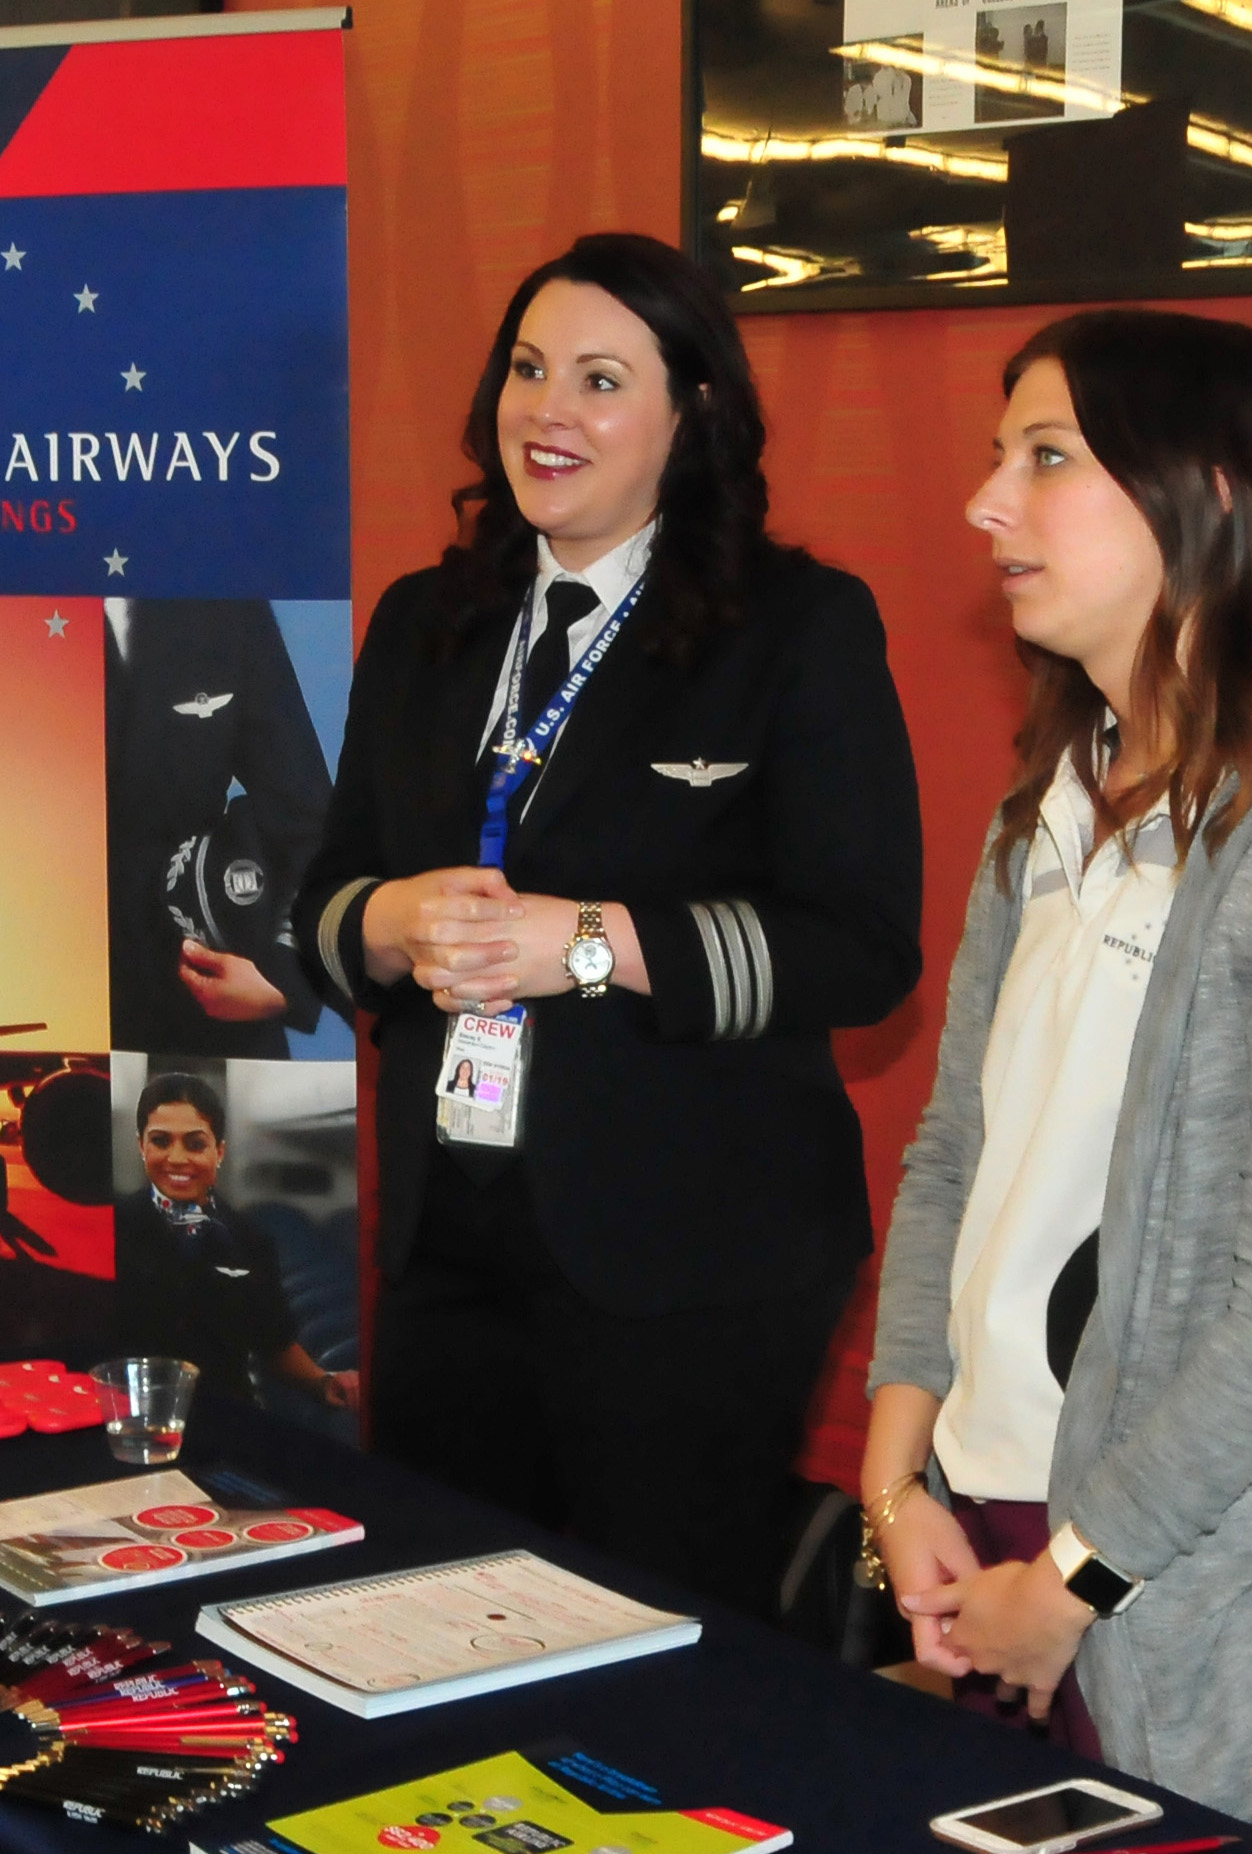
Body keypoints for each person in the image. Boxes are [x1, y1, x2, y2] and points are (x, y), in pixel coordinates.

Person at [859, 308, 1252, 1820]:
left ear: (1215, 494)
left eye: (1047, 458)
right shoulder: (1046, 809)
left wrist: (1073, 1580)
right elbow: (952, 1158)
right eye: (1000, 460)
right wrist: (894, 1482)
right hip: (972, 1534)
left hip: (1169, 1604)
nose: (989, 503)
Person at [290, 232, 921, 1617]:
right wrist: (395, 920)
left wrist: (584, 943)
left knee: (647, 1644)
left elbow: (861, 947)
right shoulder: (426, 624)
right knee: (438, 1615)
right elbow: (320, 911)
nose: (548, 413)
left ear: (690, 413)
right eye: (526, 371)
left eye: (599, 378)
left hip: (692, 1259)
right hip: (451, 1233)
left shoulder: (795, 628)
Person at [107, 599, 333, 1059]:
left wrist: (285, 974)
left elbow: (309, 820)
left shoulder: (226, 607)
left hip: (202, 1002)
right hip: (35, 988)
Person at [110, 1071, 362, 1413]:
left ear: (219, 1151)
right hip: (135, 1415)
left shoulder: (250, 1240)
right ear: (141, 1146)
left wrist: (323, 1382)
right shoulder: (112, 1228)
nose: (178, 1158)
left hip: (225, 1417)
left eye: (195, 1143)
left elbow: (274, 1343)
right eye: (161, 1141)